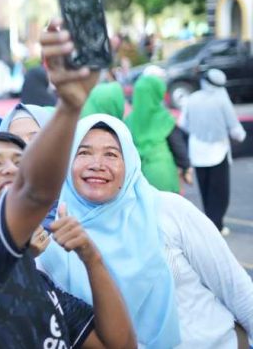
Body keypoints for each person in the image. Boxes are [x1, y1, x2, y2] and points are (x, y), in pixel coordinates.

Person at [0, 19, 136, 349]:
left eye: (20, 162)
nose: (11, 170)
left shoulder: (37, 279)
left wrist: (91, 257)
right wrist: (70, 105)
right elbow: (33, 192)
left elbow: (119, 345)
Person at [39, 114, 253, 348]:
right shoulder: (54, 247)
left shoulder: (169, 210)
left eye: (111, 154)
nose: (97, 164)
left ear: (129, 162)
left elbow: (238, 290)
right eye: (83, 153)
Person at [179, 69, 247, 233]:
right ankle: (217, 225)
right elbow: (235, 129)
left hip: (197, 151)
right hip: (218, 151)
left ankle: (210, 224)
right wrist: (242, 136)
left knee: (205, 191)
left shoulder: (192, 99)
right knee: (219, 192)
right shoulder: (222, 100)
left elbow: (183, 124)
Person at [126, 70, 191, 193]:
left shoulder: (128, 120)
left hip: (137, 176)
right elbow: (178, 146)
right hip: (163, 172)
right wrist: (186, 167)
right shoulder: (163, 118)